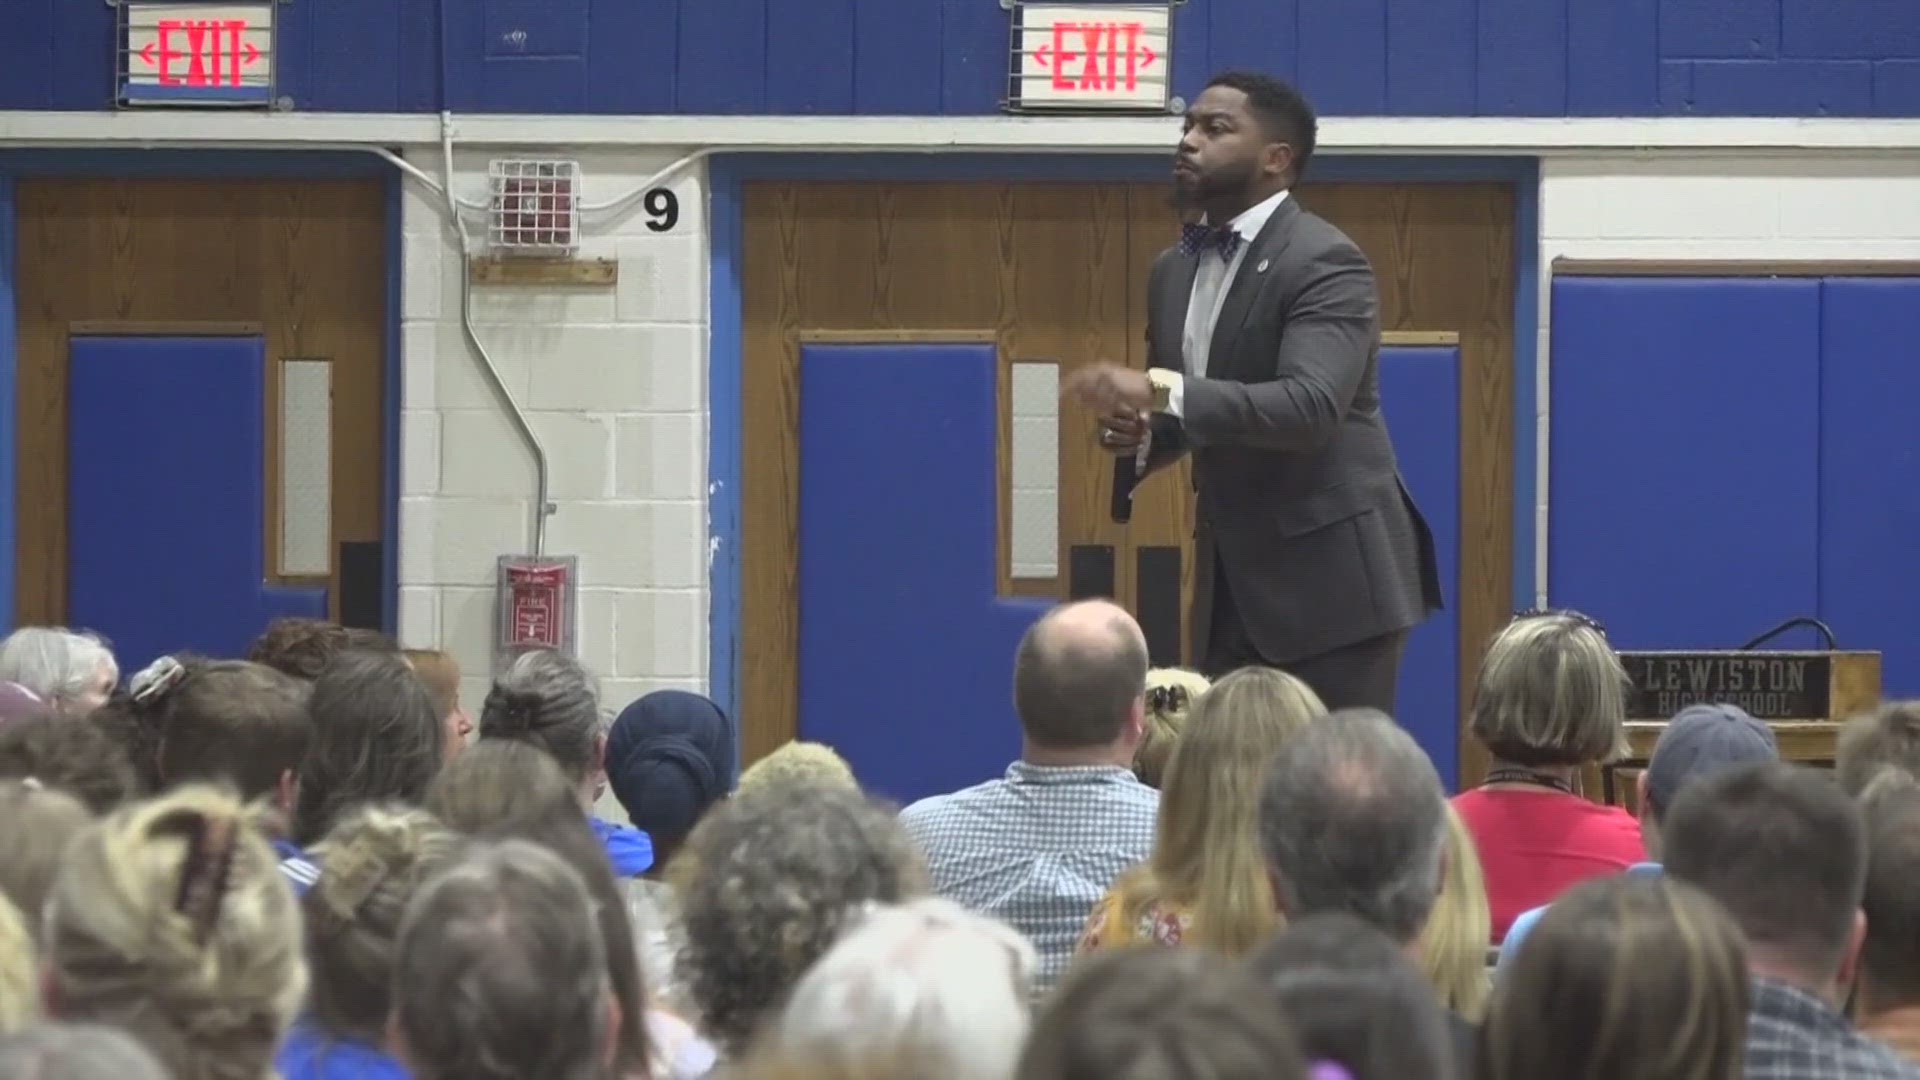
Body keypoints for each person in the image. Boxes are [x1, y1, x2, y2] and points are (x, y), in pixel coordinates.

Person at [1065, 70, 1439, 713]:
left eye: (1215, 128)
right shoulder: (1172, 267)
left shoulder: (1324, 260)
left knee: (1327, 792)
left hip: (1334, 585)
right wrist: (1147, 434)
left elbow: (1309, 407)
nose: (1188, 140)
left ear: (1277, 159)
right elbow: (1193, 405)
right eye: (1187, 126)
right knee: (1229, 784)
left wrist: (1158, 388)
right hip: (1231, 578)